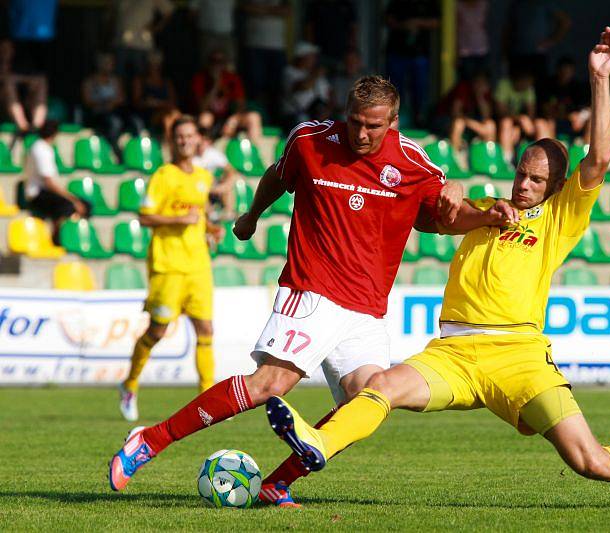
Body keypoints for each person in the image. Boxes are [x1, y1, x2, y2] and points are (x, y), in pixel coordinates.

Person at [264, 29, 610, 512]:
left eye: (537, 180)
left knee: (589, 461)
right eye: (521, 174)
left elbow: (598, 159)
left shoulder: (560, 217)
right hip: (455, 354)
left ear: (556, 186)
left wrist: (599, 79)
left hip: (520, 356)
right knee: (379, 387)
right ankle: (311, 448)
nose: (525, 185)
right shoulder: (488, 207)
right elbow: (440, 206)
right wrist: (455, 188)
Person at [108, 76, 514, 506]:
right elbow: (277, 176)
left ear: (393, 122)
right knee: (270, 385)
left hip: (367, 309)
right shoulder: (310, 141)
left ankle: (275, 483)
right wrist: (251, 216)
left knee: (368, 399)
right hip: (311, 288)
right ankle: (150, 439)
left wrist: (484, 213)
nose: (361, 134)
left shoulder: (411, 162)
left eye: (374, 127)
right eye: (355, 122)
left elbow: (440, 217)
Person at [118, 116, 222, 423]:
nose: (185, 141)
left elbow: (197, 215)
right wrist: (179, 221)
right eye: (179, 137)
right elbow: (145, 216)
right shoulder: (163, 175)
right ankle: (130, 384)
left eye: (190, 136)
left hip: (198, 265)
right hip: (168, 266)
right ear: (172, 142)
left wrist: (209, 228)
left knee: (206, 329)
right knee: (158, 330)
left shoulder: (204, 176)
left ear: (198, 139)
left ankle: (209, 397)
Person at [24, 120, 90, 243]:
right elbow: (49, 182)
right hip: (37, 194)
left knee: (84, 204)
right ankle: (58, 238)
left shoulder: (39, 147)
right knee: (69, 206)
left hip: (41, 191)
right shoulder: (41, 150)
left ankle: (68, 236)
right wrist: (73, 200)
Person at [385, 0, 440, 126]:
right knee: (394, 90)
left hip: (419, 54)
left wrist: (418, 23)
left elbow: (436, 21)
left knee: (420, 89)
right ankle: (394, 121)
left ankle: (419, 120)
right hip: (397, 52)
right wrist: (405, 25)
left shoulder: (428, 3)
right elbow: (387, 19)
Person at [191, 50, 261, 141]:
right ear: (208, 63)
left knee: (254, 117)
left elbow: (241, 106)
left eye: (220, 61)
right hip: (210, 117)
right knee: (206, 118)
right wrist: (216, 84)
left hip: (228, 118)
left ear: (225, 64)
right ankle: (202, 149)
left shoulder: (233, 78)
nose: (217, 65)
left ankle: (254, 151)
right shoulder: (200, 78)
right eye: (213, 61)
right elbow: (202, 108)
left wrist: (234, 119)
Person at [240, 0, 291, 122]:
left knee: (276, 88)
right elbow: (245, 6)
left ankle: (274, 122)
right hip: (254, 44)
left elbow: (288, 11)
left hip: (277, 46)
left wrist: (260, 10)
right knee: (255, 87)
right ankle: (256, 120)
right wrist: (273, 10)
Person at [506, 0, 571, 86]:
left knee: (539, 88)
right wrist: (504, 52)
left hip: (537, 55)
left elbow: (565, 21)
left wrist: (551, 40)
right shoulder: (516, 4)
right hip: (517, 54)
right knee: (515, 88)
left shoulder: (544, 2)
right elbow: (507, 29)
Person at [111, 0, 174, 82]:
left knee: (140, 76)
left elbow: (169, 11)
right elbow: (112, 13)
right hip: (121, 43)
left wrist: (156, 28)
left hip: (141, 44)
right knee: (118, 76)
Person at [435, 71, 496, 152]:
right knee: (459, 124)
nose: (481, 85)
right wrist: (477, 127)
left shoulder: (484, 93)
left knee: (490, 125)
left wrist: (480, 96)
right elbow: (455, 114)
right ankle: (455, 156)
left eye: (483, 83)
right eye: (478, 81)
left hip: (468, 122)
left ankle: (487, 159)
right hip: (444, 119)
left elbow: (486, 116)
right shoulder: (463, 88)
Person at [81, 52, 126, 159]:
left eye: (111, 63)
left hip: (114, 112)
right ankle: (114, 148)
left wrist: (112, 103)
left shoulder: (115, 81)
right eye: (106, 63)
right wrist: (105, 103)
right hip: (96, 114)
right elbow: (87, 101)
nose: (109, 66)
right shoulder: (90, 81)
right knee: (114, 122)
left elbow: (122, 98)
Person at [0, 39, 47, 133]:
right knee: (9, 83)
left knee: (40, 80)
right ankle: (23, 126)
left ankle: (36, 126)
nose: (8, 51)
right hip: (5, 104)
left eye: (10, 48)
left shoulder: (17, 66)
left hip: (25, 103)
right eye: (4, 49)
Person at [282, 42, 332, 126]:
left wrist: (328, 109)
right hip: (296, 114)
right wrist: (316, 74)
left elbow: (330, 93)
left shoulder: (313, 72)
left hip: (320, 113)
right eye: (311, 56)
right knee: (302, 119)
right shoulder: (289, 72)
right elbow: (304, 86)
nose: (314, 59)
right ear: (302, 57)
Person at [194, 127, 239, 219]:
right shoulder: (190, 157)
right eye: (199, 142)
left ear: (209, 142)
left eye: (204, 141)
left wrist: (225, 185)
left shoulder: (213, 154)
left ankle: (228, 214)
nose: (201, 145)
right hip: (197, 187)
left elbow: (231, 170)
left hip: (210, 185)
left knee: (228, 187)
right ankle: (210, 215)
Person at [495, 66, 538, 161]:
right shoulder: (504, 85)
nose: (528, 85)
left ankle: (543, 160)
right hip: (499, 123)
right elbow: (500, 112)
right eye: (526, 82)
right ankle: (506, 161)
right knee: (506, 123)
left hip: (519, 126)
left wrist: (519, 128)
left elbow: (531, 115)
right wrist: (520, 119)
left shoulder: (529, 89)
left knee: (541, 124)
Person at [131, 51, 178, 136]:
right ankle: (168, 144)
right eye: (152, 63)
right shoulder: (140, 81)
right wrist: (149, 103)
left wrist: (156, 103)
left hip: (165, 111)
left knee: (175, 115)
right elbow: (136, 103)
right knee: (167, 119)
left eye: (157, 63)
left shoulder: (166, 82)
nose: (155, 66)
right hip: (147, 114)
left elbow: (173, 103)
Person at [303, 0, 358, 73]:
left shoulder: (347, 5)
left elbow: (353, 28)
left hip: (342, 51)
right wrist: (311, 49)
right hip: (320, 51)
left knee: (340, 75)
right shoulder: (315, 5)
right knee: (321, 76)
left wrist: (352, 49)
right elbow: (309, 28)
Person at [189, 0, 237, 68]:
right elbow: (192, 12)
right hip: (207, 34)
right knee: (206, 65)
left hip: (227, 33)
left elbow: (233, 8)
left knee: (229, 64)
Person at [456, 0, 489, 80]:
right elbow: (455, 29)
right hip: (465, 51)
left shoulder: (483, 4)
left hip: (482, 49)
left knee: (481, 80)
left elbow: (487, 25)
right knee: (467, 80)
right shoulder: (458, 5)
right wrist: (456, 51)